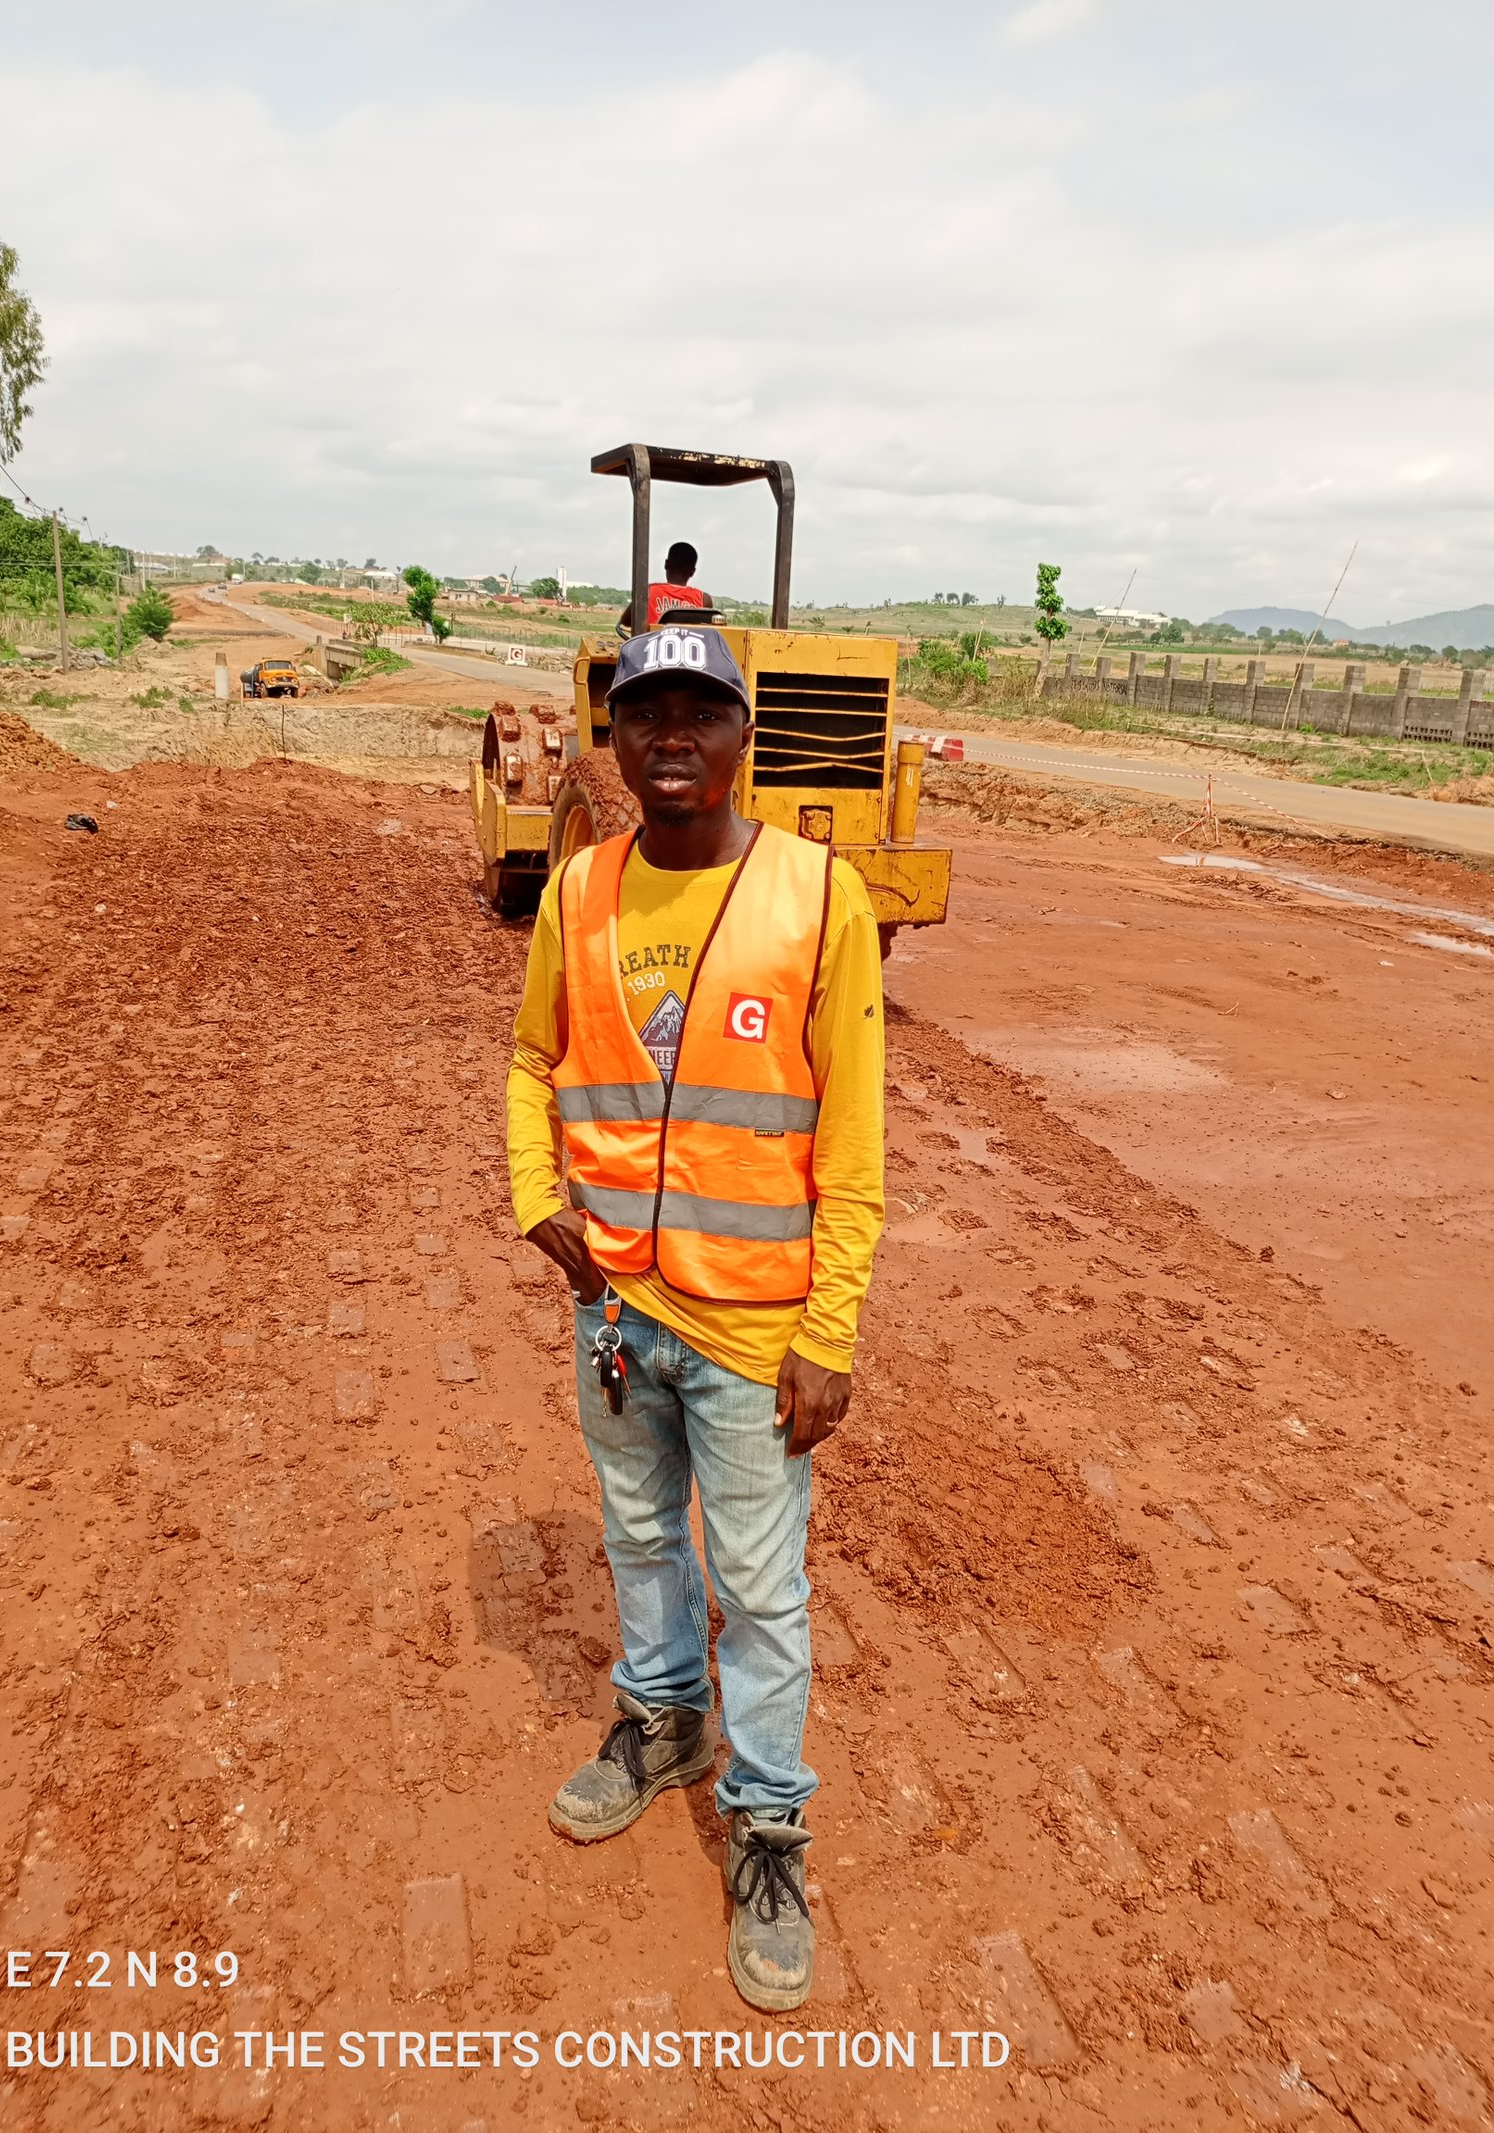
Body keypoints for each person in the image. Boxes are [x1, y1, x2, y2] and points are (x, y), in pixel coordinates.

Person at [505, 624, 885, 2012]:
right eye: (643, 710)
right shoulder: (581, 890)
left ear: (743, 736)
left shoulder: (817, 897)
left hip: (752, 1329)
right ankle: (662, 1724)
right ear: (611, 735)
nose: (670, 734)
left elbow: (852, 1139)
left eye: (699, 711)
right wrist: (532, 1195)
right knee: (642, 1535)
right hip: (613, 1307)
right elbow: (531, 1054)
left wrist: (829, 1334)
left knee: (765, 1589)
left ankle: (770, 1822)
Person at [618, 542, 711, 632]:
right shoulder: (704, 600)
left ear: (666, 564)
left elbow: (625, 622)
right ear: (692, 572)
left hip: (653, 647)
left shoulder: (648, 591)